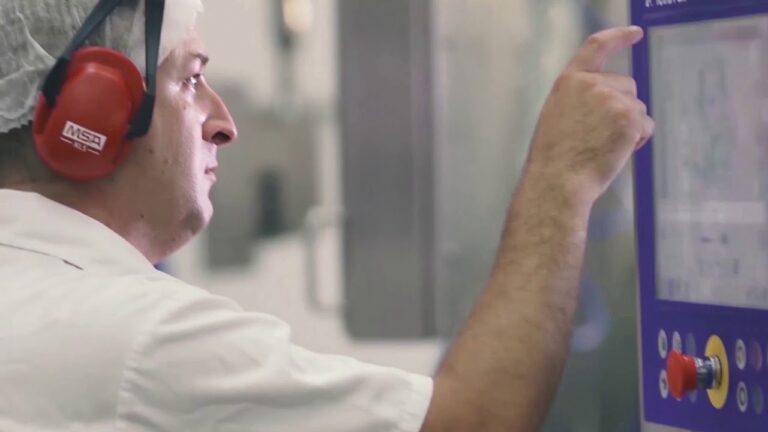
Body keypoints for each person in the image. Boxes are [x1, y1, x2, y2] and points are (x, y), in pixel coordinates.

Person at [0, 0, 654, 431]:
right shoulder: (143, 338)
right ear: (93, 108)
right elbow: (477, 422)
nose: (223, 124)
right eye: (192, 80)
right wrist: (562, 178)